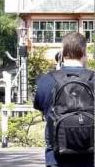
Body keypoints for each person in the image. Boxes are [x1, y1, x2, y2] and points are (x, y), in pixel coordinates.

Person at [34, 32, 94, 167]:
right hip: (91, 159)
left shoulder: (47, 80)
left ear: (62, 53)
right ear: (84, 52)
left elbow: (41, 106)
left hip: (56, 159)